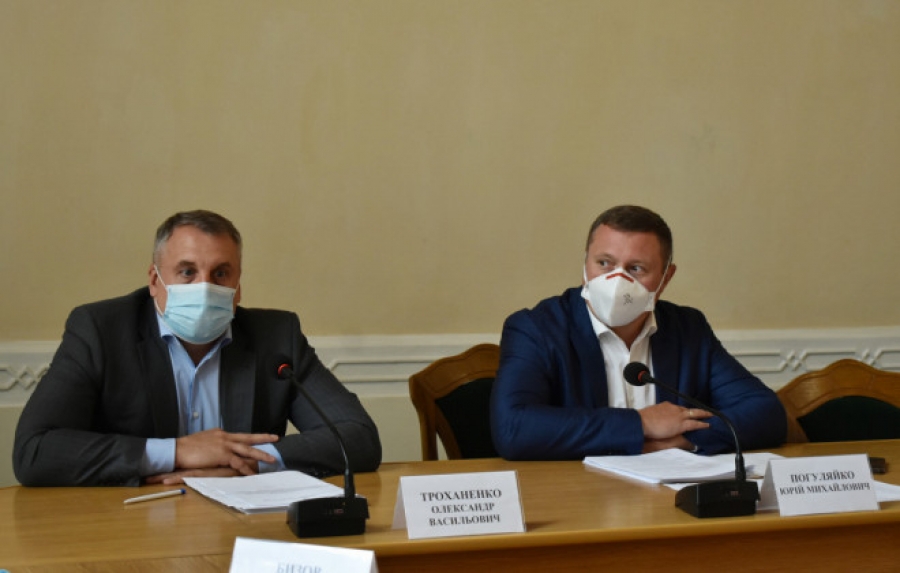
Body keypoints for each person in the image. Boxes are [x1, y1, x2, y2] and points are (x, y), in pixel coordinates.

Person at [14, 210, 381, 486]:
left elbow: (359, 437)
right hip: (129, 524)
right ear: (154, 280)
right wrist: (178, 452)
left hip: (241, 528)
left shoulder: (276, 336)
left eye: (221, 273)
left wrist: (245, 461)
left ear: (238, 286)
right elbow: (35, 450)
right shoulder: (101, 331)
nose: (205, 287)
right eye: (187, 272)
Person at [490, 205, 786, 460]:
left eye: (636, 268)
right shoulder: (536, 328)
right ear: (584, 264)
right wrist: (641, 424)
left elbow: (766, 412)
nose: (616, 280)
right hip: (578, 494)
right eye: (604, 263)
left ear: (665, 278)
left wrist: (681, 440)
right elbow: (513, 428)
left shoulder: (688, 329)